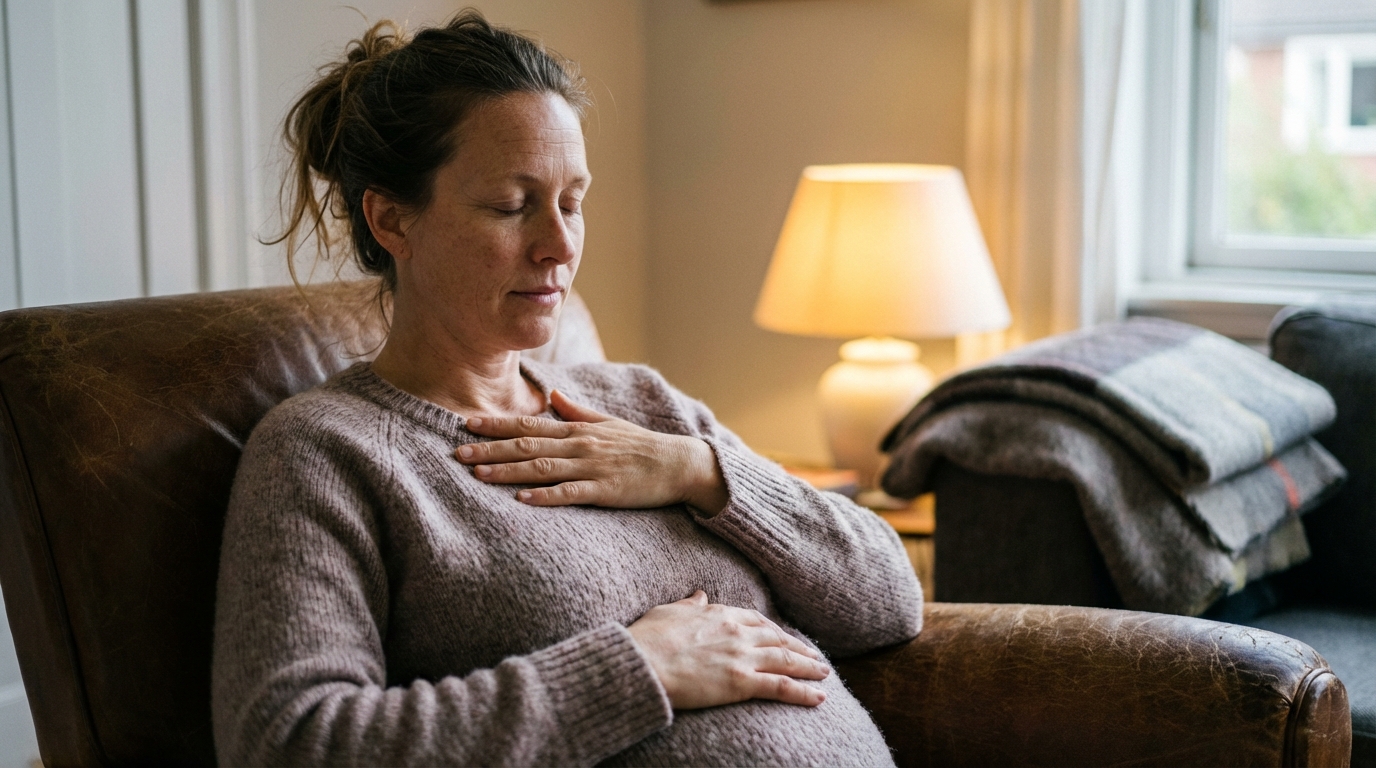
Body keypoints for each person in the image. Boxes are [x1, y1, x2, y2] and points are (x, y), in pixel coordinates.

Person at [211, 11, 922, 767]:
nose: (558, 245)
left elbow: (888, 600)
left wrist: (697, 470)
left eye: (572, 201)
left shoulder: (644, 408)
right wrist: (639, 668)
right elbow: (289, 743)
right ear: (390, 219)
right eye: (512, 206)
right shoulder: (328, 454)